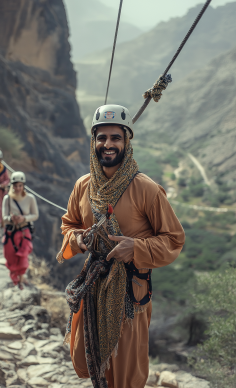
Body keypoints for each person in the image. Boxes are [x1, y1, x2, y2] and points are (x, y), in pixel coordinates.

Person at [56, 104, 185, 388]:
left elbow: (173, 238)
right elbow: (70, 224)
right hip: (94, 285)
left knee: (125, 371)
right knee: (93, 360)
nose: (108, 144)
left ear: (127, 141)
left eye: (115, 137)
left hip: (130, 291)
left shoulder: (146, 189)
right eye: (101, 138)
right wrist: (77, 239)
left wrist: (136, 248)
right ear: (94, 142)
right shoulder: (83, 186)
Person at [2, 171, 39, 289]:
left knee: (23, 257)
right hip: (11, 232)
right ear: (12, 186)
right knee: (10, 256)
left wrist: (24, 218)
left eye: (20, 185)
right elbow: (4, 217)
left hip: (24, 231)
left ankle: (22, 278)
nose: (18, 188)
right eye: (15, 185)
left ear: (23, 186)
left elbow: (35, 215)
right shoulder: (7, 199)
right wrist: (11, 219)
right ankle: (14, 277)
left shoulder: (30, 198)